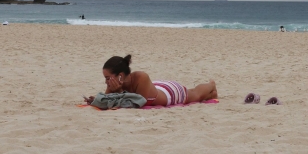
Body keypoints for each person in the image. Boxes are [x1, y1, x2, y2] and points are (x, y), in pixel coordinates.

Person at [83, 54, 217, 108]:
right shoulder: (117, 84)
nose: (106, 82)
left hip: (170, 93)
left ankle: (211, 85)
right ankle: (210, 95)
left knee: (195, 94)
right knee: (199, 95)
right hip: (155, 88)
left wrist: (117, 90)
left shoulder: (141, 77)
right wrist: (95, 100)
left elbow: (137, 103)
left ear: (120, 76)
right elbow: (108, 99)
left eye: (108, 78)